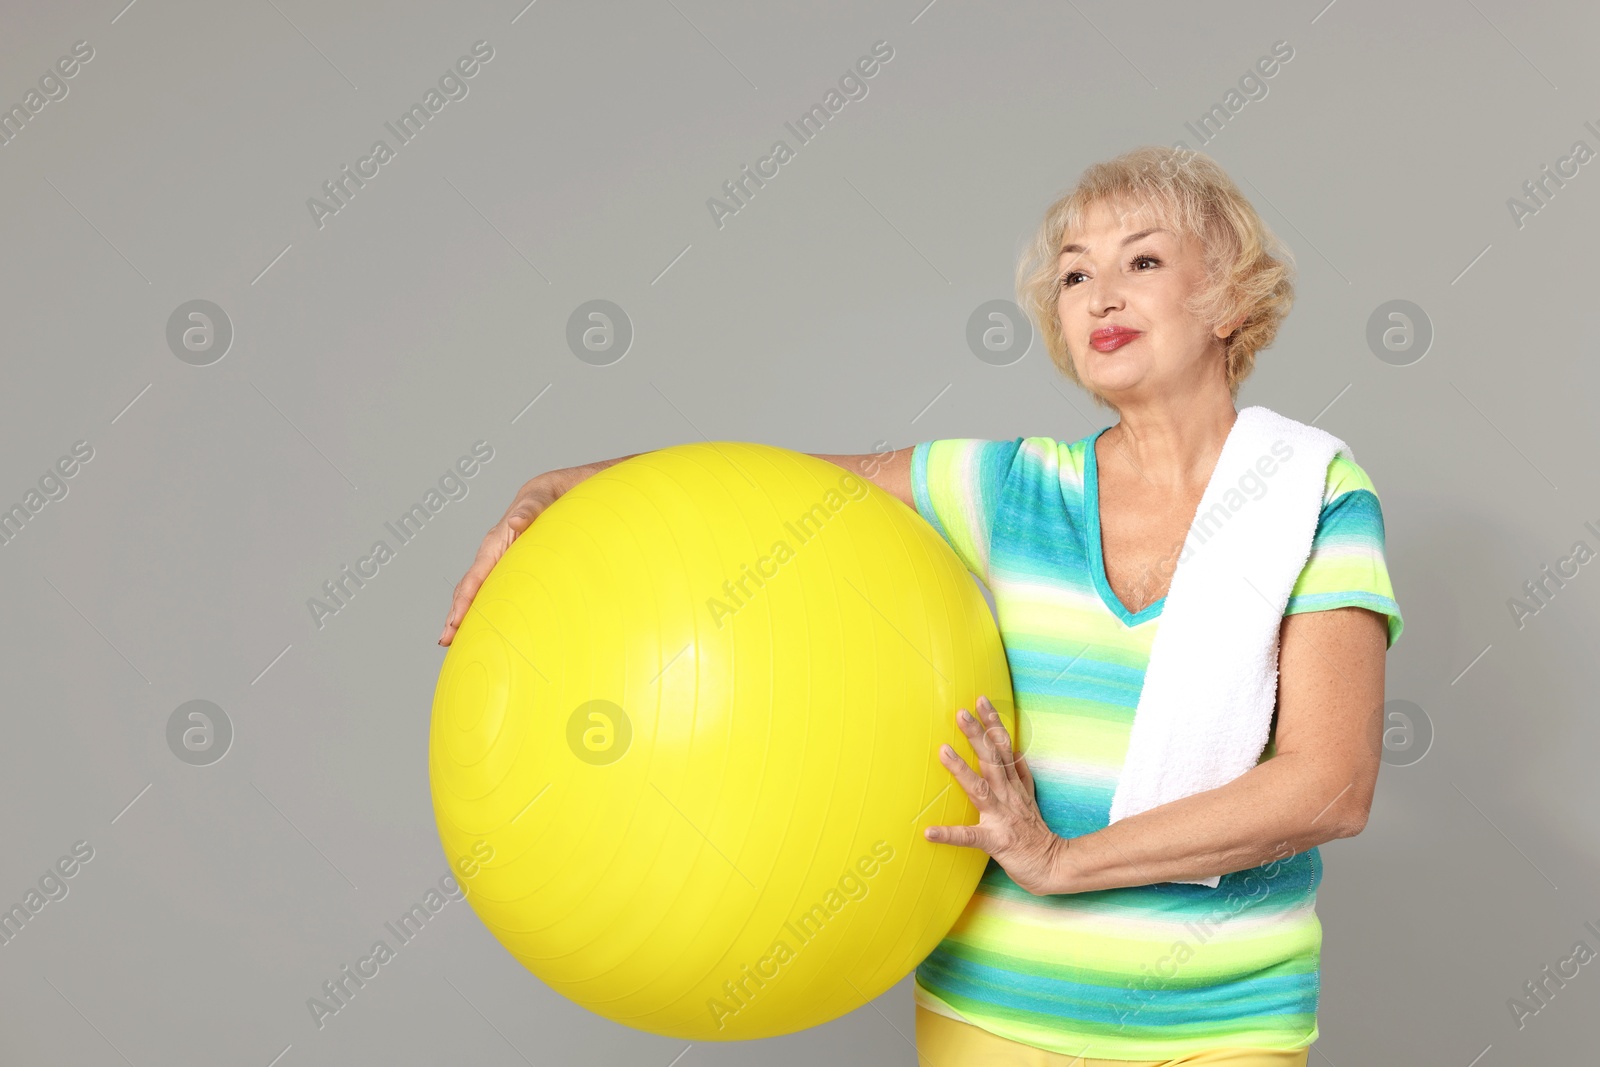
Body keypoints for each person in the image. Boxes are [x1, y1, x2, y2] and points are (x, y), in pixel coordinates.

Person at [437, 145, 1401, 1066]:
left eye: (1140, 261)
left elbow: (1330, 783)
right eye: (1073, 276)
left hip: (1222, 1018)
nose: (1099, 295)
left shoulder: (1309, 495)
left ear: (1229, 298)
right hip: (993, 1010)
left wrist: (1062, 858)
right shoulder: (1010, 487)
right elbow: (779, 487)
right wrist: (556, 486)